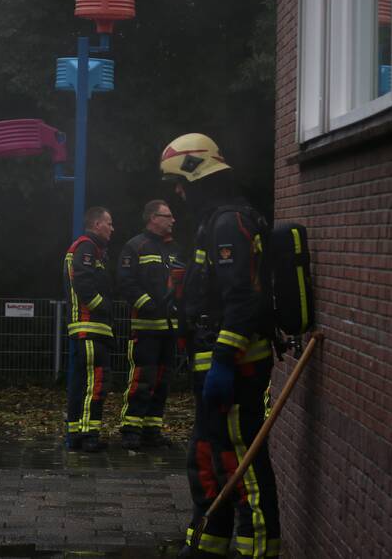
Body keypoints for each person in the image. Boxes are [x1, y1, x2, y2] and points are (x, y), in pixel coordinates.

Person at [160, 133, 280, 559]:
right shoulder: (213, 222)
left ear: (197, 174)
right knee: (207, 457)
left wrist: (225, 361)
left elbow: (243, 299)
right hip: (212, 363)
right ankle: (206, 545)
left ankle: (258, 551)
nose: (178, 192)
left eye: (179, 182)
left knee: (241, 463)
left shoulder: (229, 222)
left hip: (236, 367)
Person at [116, 199, 182, 450]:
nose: (173, 220)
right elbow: (126, 282)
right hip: (145, 327)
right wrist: (149, 305)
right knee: (142, 379)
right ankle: (131, 429)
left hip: (169, 328)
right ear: (153, 218)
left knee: (163, 382)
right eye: (168, 216)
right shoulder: (135, 246)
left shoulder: (174, 249)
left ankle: (152, 430)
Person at [62, 206, 115, 453]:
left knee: (83, 384)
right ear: (96, 225)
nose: (112, 228)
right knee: (96, 383)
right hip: (90, 327)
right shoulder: (87, 248)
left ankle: (77, 433)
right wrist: (104, 307)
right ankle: (88, 434)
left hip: (89, 328)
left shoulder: (92, 250)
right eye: (109, 223)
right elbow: (83, 285)